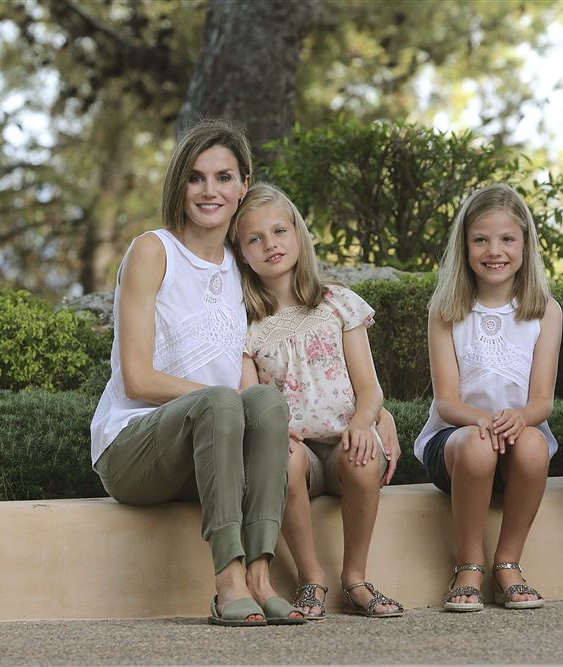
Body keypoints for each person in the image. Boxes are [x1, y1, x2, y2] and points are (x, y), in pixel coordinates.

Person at [90, 120, 304, 627]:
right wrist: (223, 402)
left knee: (266, 402)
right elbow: (137, 379)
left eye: (223, 177)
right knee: (224, 400)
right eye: (196, 177)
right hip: (134, 447)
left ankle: (260, 578)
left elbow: (299, 329)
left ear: (243, 185)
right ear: (179, 185)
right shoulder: (153, 250)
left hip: (214, 452)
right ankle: (227, 582)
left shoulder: (241, 264)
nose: (210, 191)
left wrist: (374, 411)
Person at [234, 183, 404, 619]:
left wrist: (364, 421)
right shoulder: (246, 327)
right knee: (283, 457)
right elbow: (250, 398)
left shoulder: (337, 304)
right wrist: (272, 432)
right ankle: (311, 579)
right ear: (241, 253)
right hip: (300, 452)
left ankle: (356, 579)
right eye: (255, 239)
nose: (270, 244)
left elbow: (370, 388)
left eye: (279, 231)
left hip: (346, 438)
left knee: (363, 456)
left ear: (298, 234)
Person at [413, 183, 563, 612]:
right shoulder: (446, 310)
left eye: (507, 239)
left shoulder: (545, 311)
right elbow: (446, 402)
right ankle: (468, 566)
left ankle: (508, 563)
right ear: (464, 246)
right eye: (480, 240)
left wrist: (519, 419)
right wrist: (484, 422)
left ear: (525, 244)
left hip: (517, 441)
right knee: (479, 445)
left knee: (534, 444)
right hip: (455, 445)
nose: (494, 251)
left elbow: (543, 402)